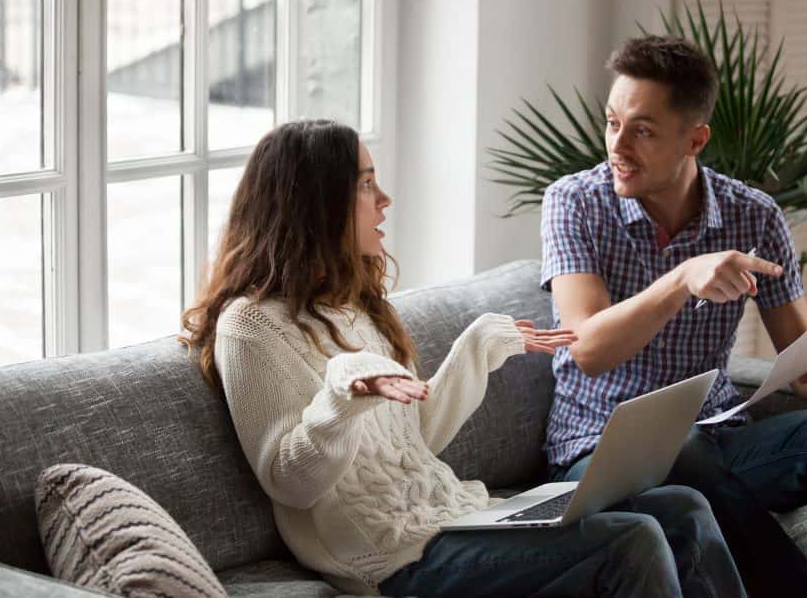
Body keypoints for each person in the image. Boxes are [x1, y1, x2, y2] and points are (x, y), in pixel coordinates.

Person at [180, 119, 746, 598]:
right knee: (631, 539)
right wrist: (338, 400)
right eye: (366, 184)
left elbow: (413, 442)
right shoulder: (249, 327)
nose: (384, 200)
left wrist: (476, 351)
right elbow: (291, 484)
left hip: (459, 516)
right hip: (391, 559)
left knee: (681, 506)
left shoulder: (352, 305)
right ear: (316, 205)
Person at [540, 35, 807, 598]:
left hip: (716, 436)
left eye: (642, 130)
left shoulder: (753, 215)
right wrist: (681, 278)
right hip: (597, 453)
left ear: (694, 139)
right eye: (612, 123)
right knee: (682, 455)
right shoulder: (574, 202)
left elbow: (801, 362)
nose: (617, 145)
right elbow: (587, 348)